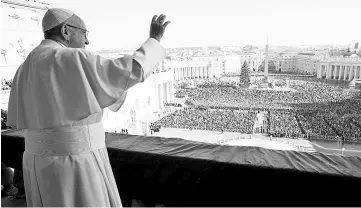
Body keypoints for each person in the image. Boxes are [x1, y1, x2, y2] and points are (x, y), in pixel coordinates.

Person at [6, 8, 170, 207]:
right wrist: (154, 40)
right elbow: (128, 72)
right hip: (74, 163)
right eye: (84, 33)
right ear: (66, 31)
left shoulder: (24, 67)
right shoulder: (70, 58)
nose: (87, 41)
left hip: (36, 163)